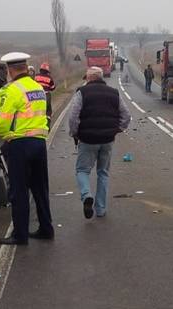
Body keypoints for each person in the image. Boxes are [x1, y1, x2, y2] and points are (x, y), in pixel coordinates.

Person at [0, 52, 54, 245]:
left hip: (20, 145)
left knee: (19, 191)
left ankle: (20, 235)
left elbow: (4, 124)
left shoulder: (12, 90)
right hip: (39, 143)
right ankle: (46, 228)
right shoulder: (37, 87)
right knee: (40, 188)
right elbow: (27, 115)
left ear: (10, 70)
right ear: (25, 67)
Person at [68, 66, 131, 219]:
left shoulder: (81, 93)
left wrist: (75, 133)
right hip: (107, 140)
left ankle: (86, 195)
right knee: (103, 173)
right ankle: (101, 209)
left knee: (82, 170)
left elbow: (73, 116)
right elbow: (126, 115)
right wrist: (118, 130)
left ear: (88, 78)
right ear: (101, 77)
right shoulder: (114, 93)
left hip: (88, 139)